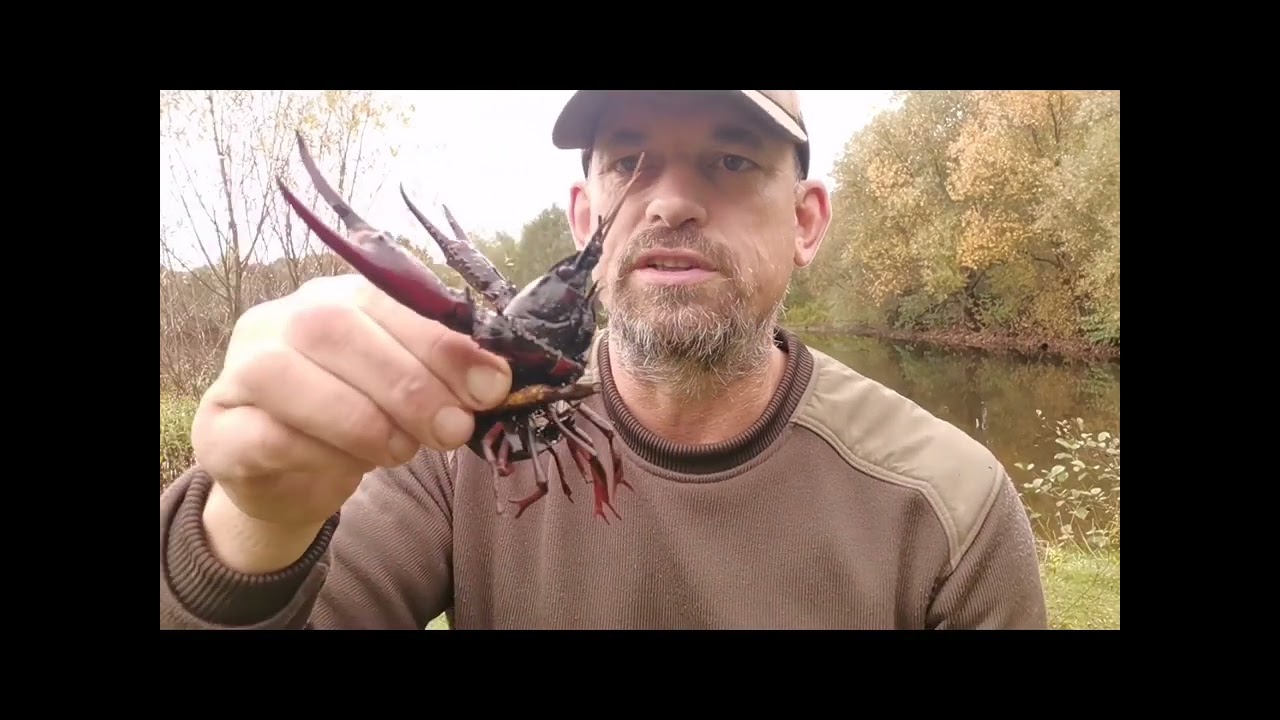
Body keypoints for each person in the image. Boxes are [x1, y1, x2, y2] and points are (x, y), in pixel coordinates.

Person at [159, 90, 1048, 630]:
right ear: (585, 219)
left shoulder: (949, 503)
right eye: (629, 164)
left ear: (806, 221)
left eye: (730, 160)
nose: (669, 204)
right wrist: (255, 524)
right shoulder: (441, 438)